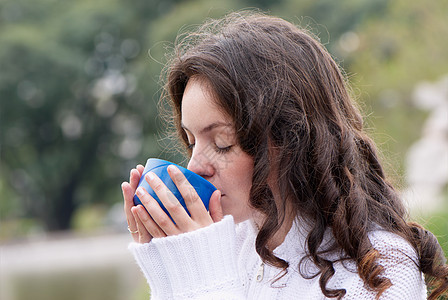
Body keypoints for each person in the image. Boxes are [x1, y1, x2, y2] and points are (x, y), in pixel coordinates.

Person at [121, 11, 448, 299]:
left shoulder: (381, 269)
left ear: (292, 139)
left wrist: (206, 282)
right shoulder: (229, 242)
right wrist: (168, 269)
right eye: (191, 142)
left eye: (222, 142)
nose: (195, 166)